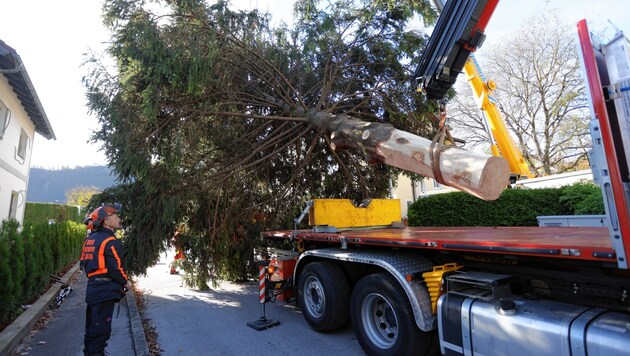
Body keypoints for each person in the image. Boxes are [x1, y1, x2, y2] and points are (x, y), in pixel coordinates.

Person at [80, 204, 131, 356]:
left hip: (93, 289)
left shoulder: (90, 239)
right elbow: (116, 268)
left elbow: (84, 264)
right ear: (107, 222)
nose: (119, 219)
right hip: (104, 291)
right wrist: (126, 282)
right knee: (101, 330)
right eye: (116, 216)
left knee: (92, 328)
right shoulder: (109, 241)